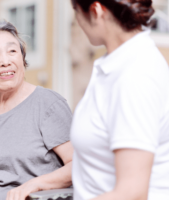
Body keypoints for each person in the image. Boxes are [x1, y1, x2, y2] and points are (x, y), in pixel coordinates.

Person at [0, 16, 74, 200]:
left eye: (12, 51)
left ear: (22, 59)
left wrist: (34, 185)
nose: (5, 61)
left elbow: (79, 165)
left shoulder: (48, 104)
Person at [70, 0, 169, 200]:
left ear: (96, 11)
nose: (77, 20)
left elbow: (132, 193)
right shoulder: (114, 66)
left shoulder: (135, 77)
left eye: (76, 11)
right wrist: (42, 181)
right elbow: (97, 155)